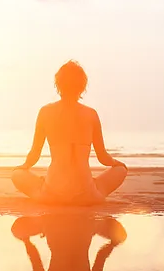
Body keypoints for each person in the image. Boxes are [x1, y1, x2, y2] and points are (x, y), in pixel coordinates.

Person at [11, 60, 128, 205]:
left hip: (52, 194)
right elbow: (103, 158)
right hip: (87, 195)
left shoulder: (45, 112)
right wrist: (118, 164)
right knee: (120, 171)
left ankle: (45, 184)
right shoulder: (91, 114)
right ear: (82, 86)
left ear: (58, 84)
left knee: (17, 174)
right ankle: (90, 185)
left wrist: (25, 166)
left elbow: (34, 154)